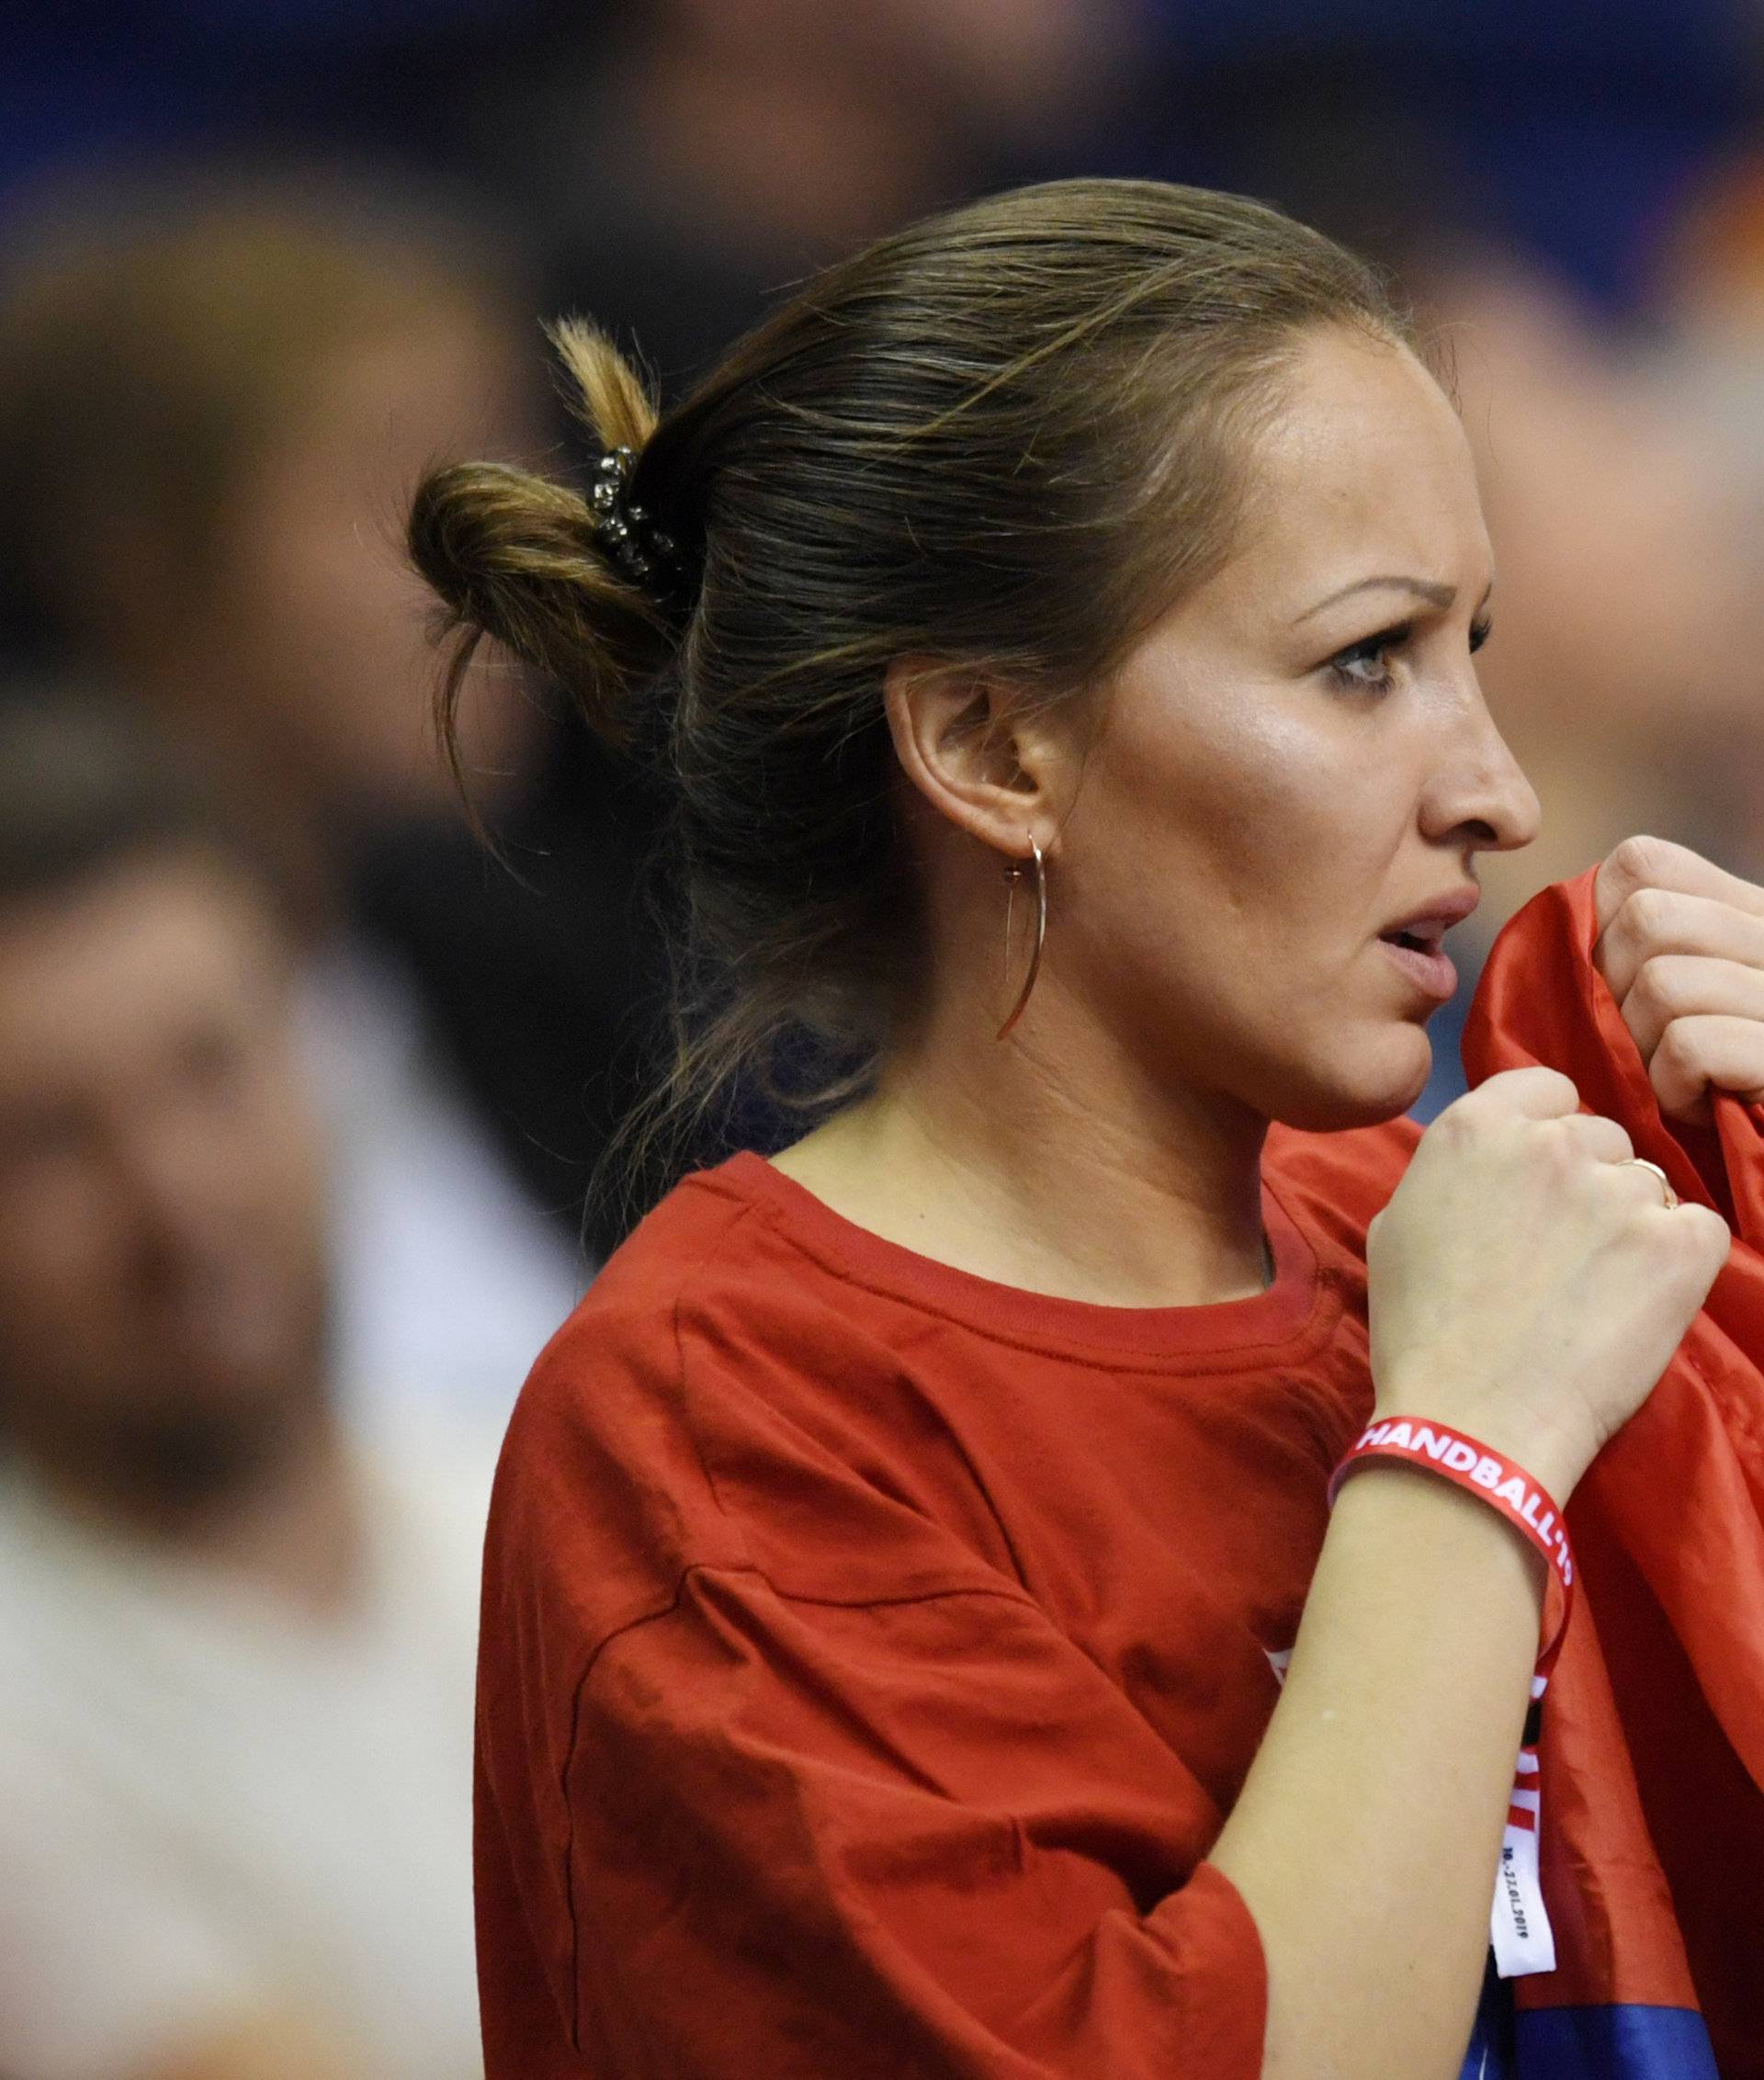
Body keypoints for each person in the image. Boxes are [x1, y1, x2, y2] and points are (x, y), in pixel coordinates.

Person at [409, 181, 1763, 2077]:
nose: (1495, 786)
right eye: (1367, 660)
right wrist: (1469, 1458)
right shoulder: (733, 1420)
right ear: (990, 747)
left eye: (1476, 647)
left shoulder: (1456, 1236)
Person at [0, 698, 488, 2080]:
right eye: (48, 1142)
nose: (176, 1199)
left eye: (209, 1070)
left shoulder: (526, 1491)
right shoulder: (17, 1718)